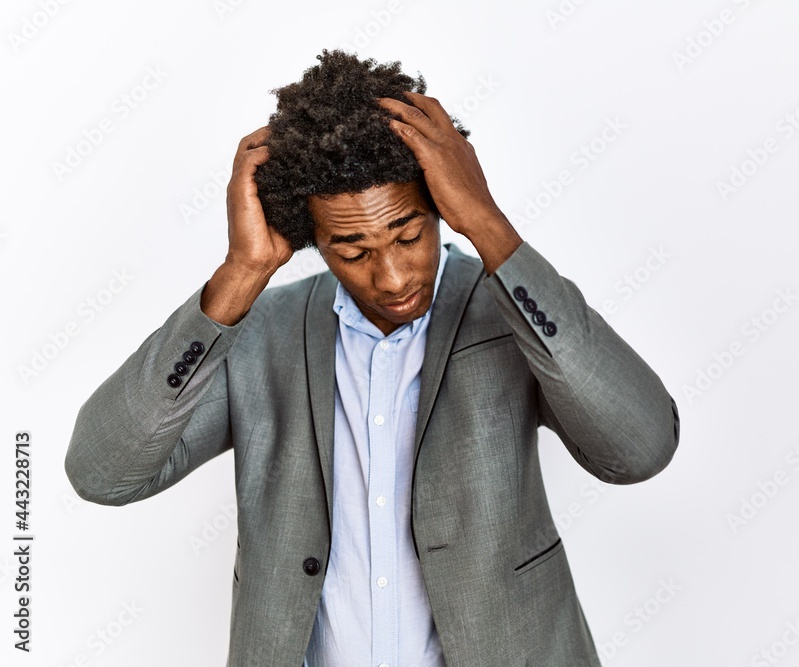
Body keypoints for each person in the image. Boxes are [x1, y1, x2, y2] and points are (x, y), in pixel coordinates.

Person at [64, 49, 680, 667]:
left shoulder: (511, 311)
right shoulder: (260, 334)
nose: (390, 276)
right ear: (312, 240)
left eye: (409, 235)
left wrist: (487, 223)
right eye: (352, 250)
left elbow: (639, 449)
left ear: (442, 205)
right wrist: (241, 273)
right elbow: (103, 472)